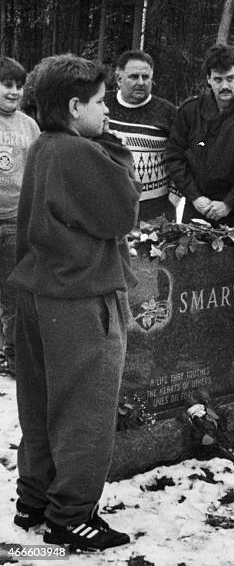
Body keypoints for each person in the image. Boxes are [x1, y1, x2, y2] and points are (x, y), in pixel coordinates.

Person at [8, 54, 140, 551]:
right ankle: (71, 516)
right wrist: (109, 144)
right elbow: (122, 210)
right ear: (73, 105)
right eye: (102, 102)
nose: (108, 112)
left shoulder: (44, 145)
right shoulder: (79, 151)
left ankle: (34, 499)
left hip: (40, 293)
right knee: (86, 410)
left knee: (40, 404)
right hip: (82, 299)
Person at [166, 43, 234, 234]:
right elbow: (175, 157)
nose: (225, 86)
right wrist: (195, 197)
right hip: (197, 209)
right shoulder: (190, 112)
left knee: (233, 263)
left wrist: (229, 203)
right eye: (218, 79)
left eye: (230, 78)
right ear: (208, 79)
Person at [0, 57, 40, 378]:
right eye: (7, 85)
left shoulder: (29, 126)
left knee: (14, 292)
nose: (14, 92)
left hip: (16, 221)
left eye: (18, 86)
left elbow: (39, 171)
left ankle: (13, 354)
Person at [106, 49, 178, 222]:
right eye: (133, 76)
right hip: (108, 205)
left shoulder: (168, 112)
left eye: (146, 77)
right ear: (119, 78)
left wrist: (172, 201)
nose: (141, 82)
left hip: (155, 211)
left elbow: (182, 158)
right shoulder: (102, 106)